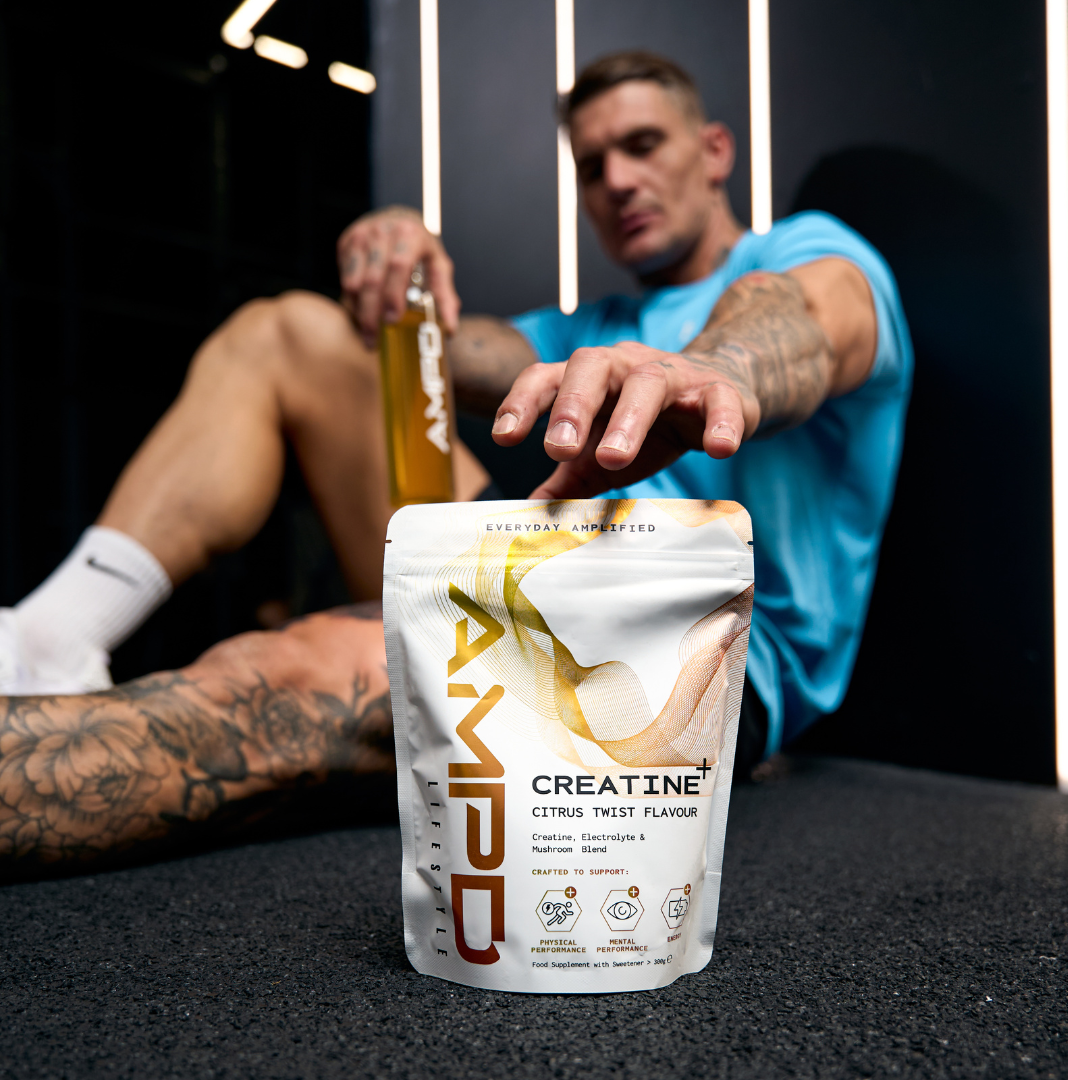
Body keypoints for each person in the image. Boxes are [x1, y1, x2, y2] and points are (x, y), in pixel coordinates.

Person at [0, 51, 911, 871]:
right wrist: (399, 260)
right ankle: (51, 639)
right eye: (592, 165)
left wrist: (717, 372)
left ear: (713, 152)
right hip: (537, 575)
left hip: (689, 657)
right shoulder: (595, 328)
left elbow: (801, 323)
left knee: (283, 677)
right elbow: (431, 352)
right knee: (289, 334)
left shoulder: (808, 254)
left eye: (642, 146)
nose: (618, 181)